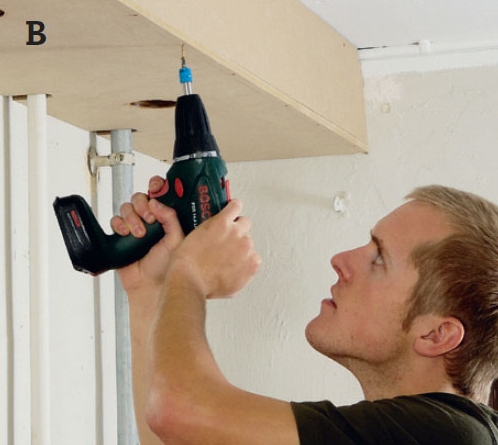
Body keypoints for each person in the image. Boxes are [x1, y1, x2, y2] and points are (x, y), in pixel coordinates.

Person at [111, 179, 498, 444]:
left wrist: (190, 273)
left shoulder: (452, 436)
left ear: (435, 334)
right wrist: (150, 290)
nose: (341, 260)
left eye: (379, 258)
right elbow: (178, 429)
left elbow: (178, 412)